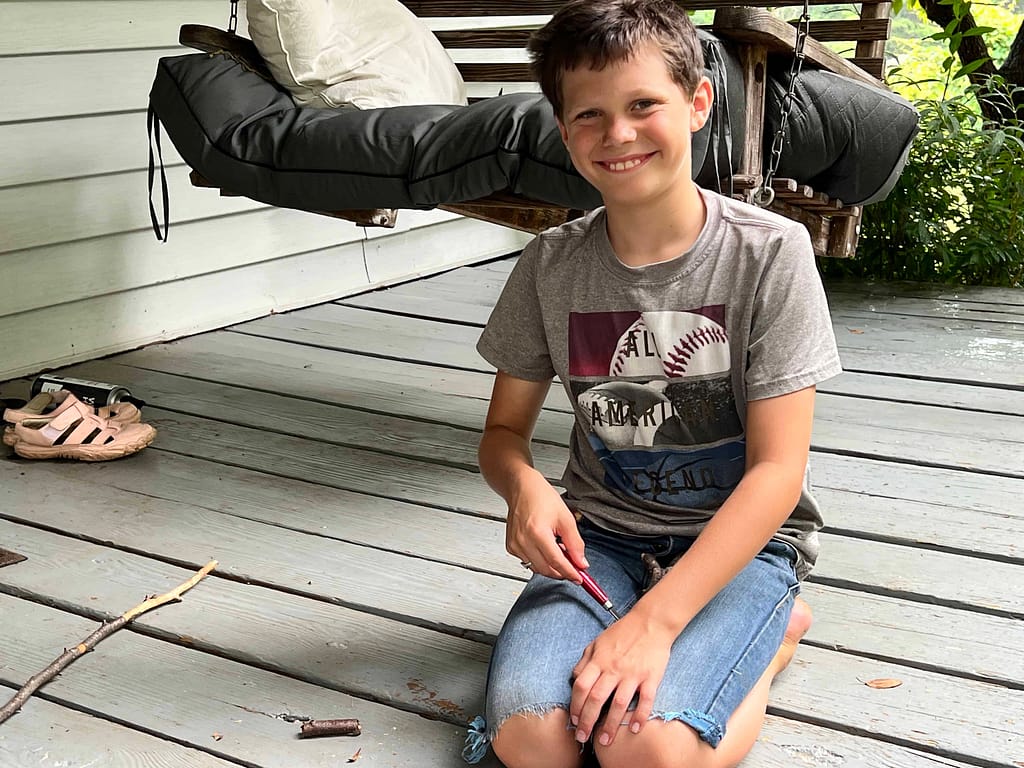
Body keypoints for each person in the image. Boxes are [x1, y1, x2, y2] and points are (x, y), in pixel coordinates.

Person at [462, 1, 842, 766]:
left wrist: (656, 625)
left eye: (644, 105)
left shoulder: (770, 253)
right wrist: (526, 490)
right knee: (534, 741)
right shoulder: (549, 265)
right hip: (597, 539)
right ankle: (716, 640)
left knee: (647, 750)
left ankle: (768, 642)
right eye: (590, 115)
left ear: (697, 103)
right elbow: (502, 435)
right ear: (566, 133)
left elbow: (777, 471)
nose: (619, 134)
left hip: (740, 543)